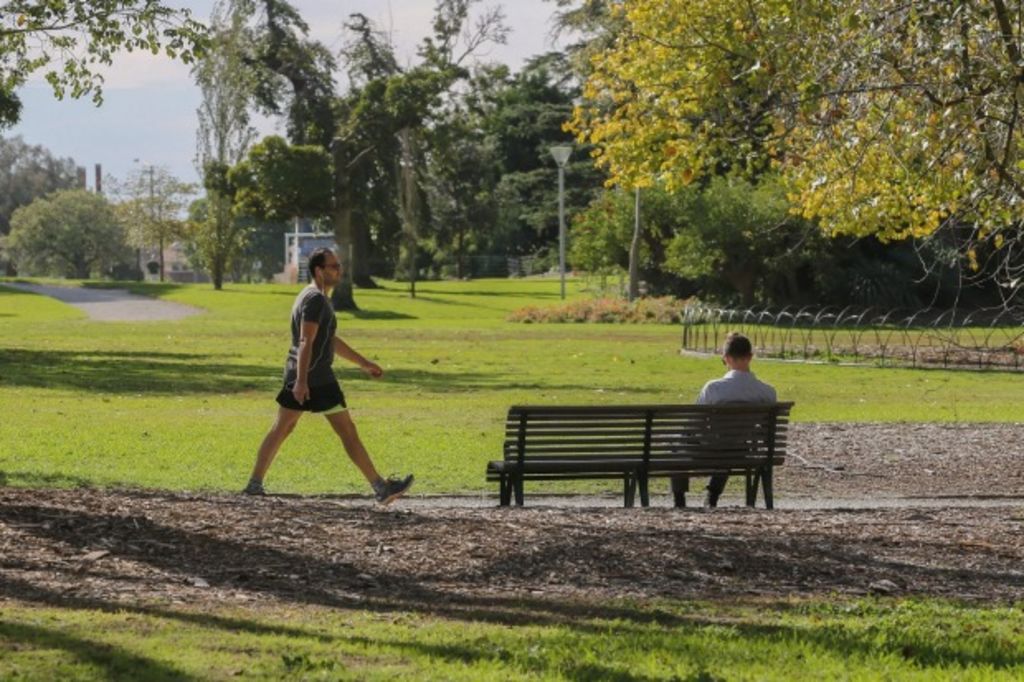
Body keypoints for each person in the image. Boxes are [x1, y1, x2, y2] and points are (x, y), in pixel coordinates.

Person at [243, 247, 414, 504]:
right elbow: (305, 341)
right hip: (316, 378)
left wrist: (363, 363)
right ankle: (381, 488)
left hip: (303, 374)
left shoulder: (313, 296)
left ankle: (254, 485)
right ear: (319, 271)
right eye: (333, 266)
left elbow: (330, 340)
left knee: (283, 428)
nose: (339, 270)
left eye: (338, 266)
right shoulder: (315, 300)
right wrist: (302, 381)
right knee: (345, 431)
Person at [671, 332, 776, 508]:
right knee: (732, 440)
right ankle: (712, 495)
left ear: (726, 358)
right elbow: (767, 429)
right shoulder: (767, 392)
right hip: (741, 451)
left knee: (678, 444)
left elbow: (694, 422)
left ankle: (680, 501)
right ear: (750, 357)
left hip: (710, 449)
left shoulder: (713, 389)